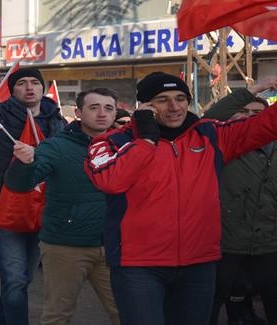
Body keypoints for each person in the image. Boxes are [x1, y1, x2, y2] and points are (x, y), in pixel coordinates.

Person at [84, 72, 277, 325]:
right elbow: (110, 180)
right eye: (162, 100)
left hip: (199, 263)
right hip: (139, 265)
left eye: (180, 98)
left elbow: (267, 125)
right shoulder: (111, 141)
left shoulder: (210, 135)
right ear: (144, 106)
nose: (174, 107)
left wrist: (260, 87)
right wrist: (146, 139)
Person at [0, 53, 67, 325]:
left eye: (34, 82)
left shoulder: (59, 123)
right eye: (22, 83)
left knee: (25, 278)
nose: (29, 87)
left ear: (43, 89)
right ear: (12, 89)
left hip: (44, 207)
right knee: (15, 278)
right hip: (2, 207)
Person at [4, 88, 120, 325]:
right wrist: (24, 164)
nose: (102, 113)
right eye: (94, 107)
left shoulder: (123, 146)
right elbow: (20, 184)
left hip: (114, 246)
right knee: (58, 315)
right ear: (78, 112)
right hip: (66, 246)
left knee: (127, 312)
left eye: (108, 108)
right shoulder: (56, 146)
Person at [202, 80, 277, 325]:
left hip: (269, 244)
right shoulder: (219, 145)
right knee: (209, 306)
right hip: (226, 244)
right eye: (243, 112)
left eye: (256, 113)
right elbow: (209, 118)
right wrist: (252, 91)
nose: (249, 117)